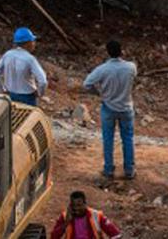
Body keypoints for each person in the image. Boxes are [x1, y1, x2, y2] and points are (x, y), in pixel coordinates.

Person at [84, 40, 138, 180]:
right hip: (126, 107)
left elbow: (87, 84)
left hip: (108, 106)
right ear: (122, 51)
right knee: (128, 138)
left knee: (108, 139)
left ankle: (108, 170)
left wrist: (99, 93)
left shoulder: (102, 69)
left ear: (107, 52)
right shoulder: (131, 67)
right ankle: (129, 170)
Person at [0, 27, 47, 106]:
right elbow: (43, 81)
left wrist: (2, 90)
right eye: (33, 41)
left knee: (12, 117)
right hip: (27, 97)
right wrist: (40, 93)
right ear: (27, 43)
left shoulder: (7, 55)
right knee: (27, 117)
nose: (34, 43)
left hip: (10, 95)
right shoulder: (30, 59)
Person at [50, 190, 122, 239]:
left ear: (85, 204)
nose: (76, 208)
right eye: (73, 205)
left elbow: (116, 234)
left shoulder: (96, 215)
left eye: (79, 205)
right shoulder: (65, 216)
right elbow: (53, 237)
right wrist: (66, 223)